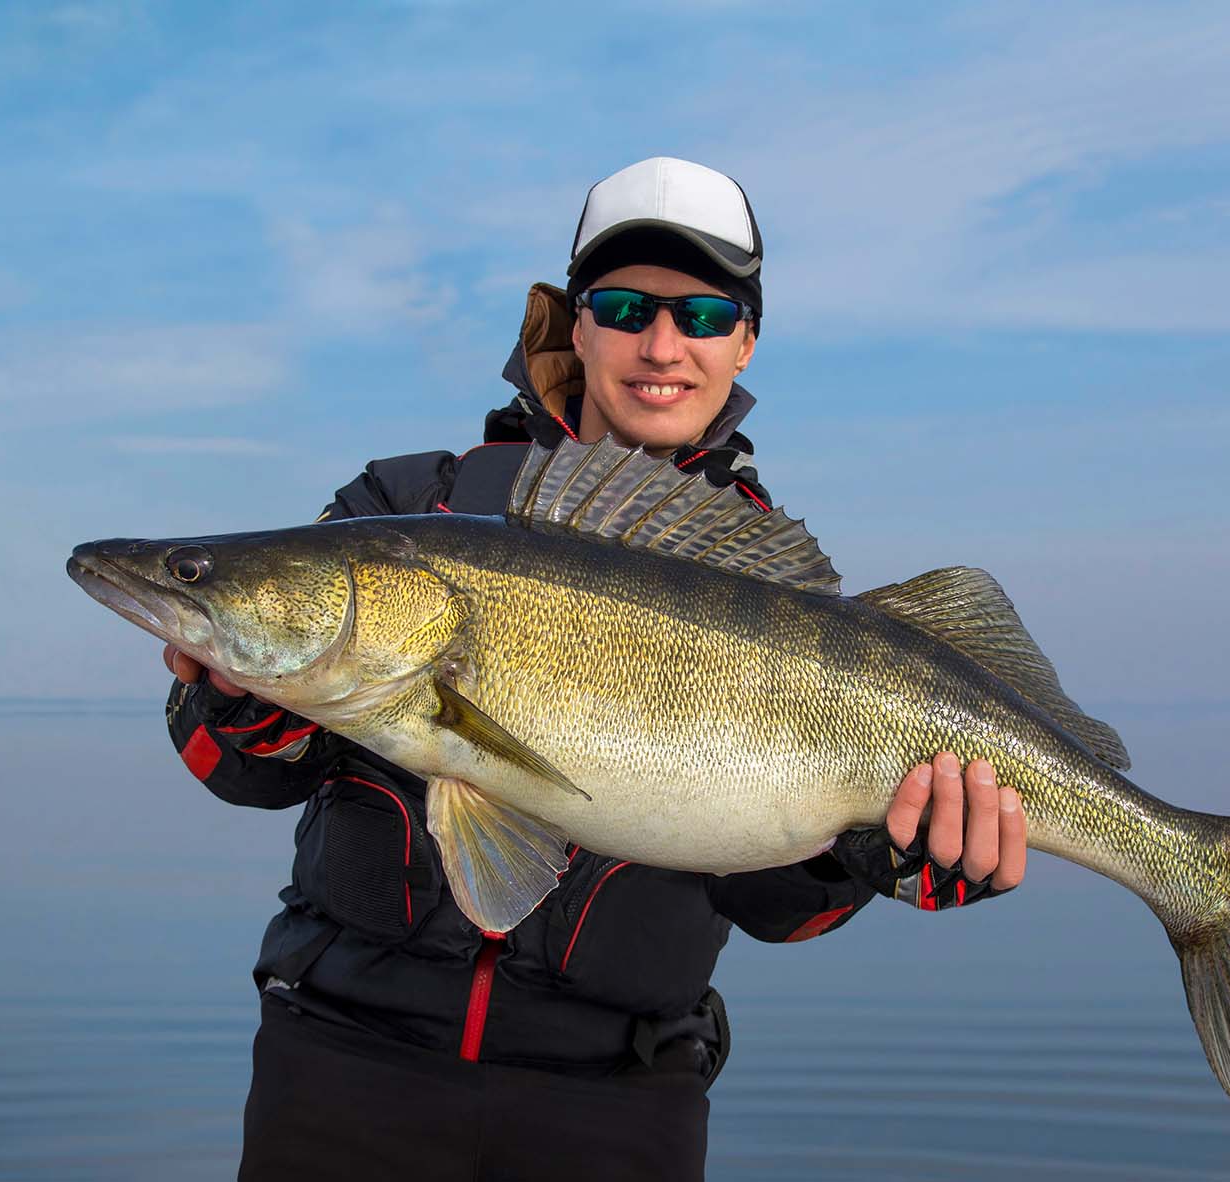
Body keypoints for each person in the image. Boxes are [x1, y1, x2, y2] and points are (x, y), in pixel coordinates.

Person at [160, 157, 1028, 1181]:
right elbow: (242, 770)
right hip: (344, 1071)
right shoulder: (399, 510)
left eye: (703, 316)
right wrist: (230, 689)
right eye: (623, 307)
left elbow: (781, 909)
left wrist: (880, 857)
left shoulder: (786, 606)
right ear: (573, 324)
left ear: (745, 341)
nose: (662, 346)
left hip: (618, 1108)